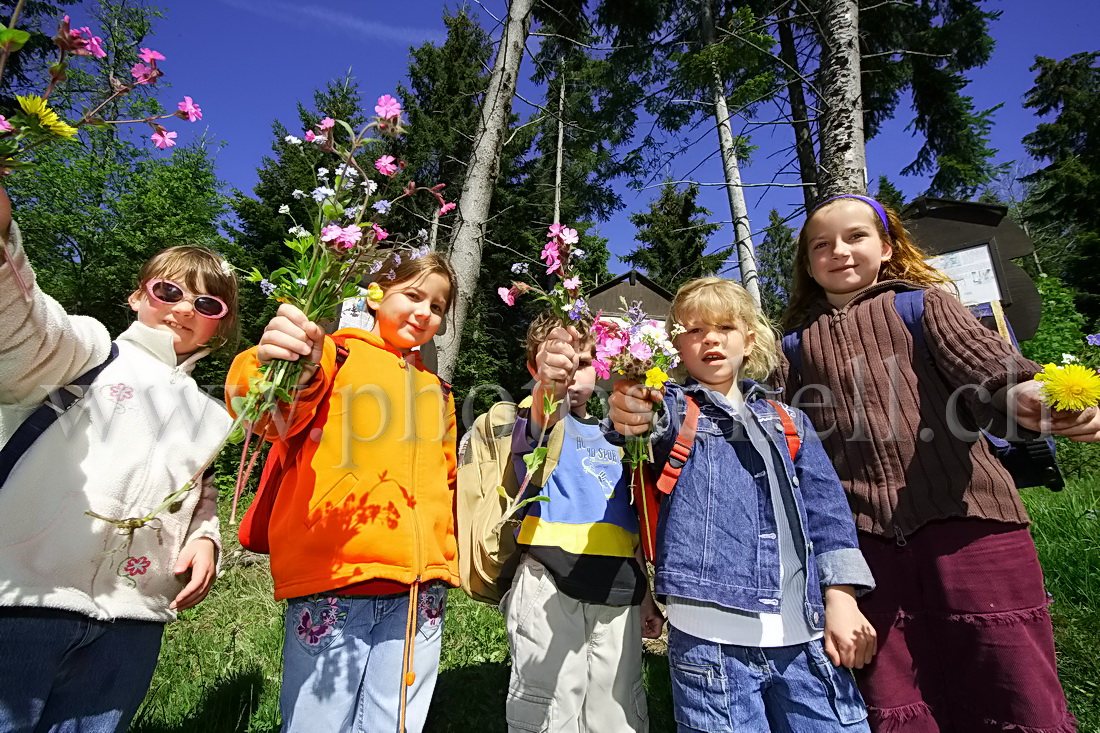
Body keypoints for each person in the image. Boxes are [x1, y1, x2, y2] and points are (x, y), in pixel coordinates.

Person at [780, 194, 1100, 732]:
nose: (839, 250)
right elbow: (776, 433)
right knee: (895, 691)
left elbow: (988, 367)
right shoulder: (791, 345)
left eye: (856, 236)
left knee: (1009, 676)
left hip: (971, 524)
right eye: (821, 244)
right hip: (865, 546)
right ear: (808, 265)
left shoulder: (925, 306)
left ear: (885, 248)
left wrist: (1029, 398)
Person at [0, 185, 238, 732]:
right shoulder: (87, 352)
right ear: (137, 297)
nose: (183, 308)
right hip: (21, 600)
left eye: (206, 304)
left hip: (133, 622)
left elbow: (197, 495)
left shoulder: (212, 416)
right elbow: (23, 331)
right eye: (168, 291)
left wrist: (205, 539)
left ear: (219, 326)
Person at [607, 277, 877, 732]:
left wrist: (843, 599)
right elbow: (641, 420)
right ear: (676, 345)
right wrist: (630, 407)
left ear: (749, 339)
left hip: (805, 635)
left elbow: (829, 517)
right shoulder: (676, 409)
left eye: (725, 327)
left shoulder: (792, 421)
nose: (710, 338)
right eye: (693, 330)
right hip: (709, 640)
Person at [226, 252, 459, 733]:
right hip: (336, 579)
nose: (424, 313)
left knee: (395, 725)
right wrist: (275, 361)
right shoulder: (334, 355)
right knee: (318, 722)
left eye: (437, 306)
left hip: (420, 592)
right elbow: (265, 410)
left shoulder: (439, 391)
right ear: (376, 296)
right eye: (412, 295)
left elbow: (448, 478)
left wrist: (443, 555)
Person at [502, 311, 664, 732]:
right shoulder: (535, 421)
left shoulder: (621, 435)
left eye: (586, 362)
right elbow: (540, 414)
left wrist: (645, 590)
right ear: (535, 368)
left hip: (619, 586)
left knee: (618, 707)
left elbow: (630, 519)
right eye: (561, 362)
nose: (573, 374)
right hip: (548, 581)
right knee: (549, 704)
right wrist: (547, 385)